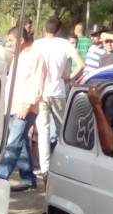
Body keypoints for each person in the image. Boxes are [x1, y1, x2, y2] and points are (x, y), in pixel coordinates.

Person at [34, 17, 85, 180]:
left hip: (41, 93)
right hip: (58, 91)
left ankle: (45, 169)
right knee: (63, 128)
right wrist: (69, 76)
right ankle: (68, 164)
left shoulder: (37, 45)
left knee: (43, 131)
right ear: (59, 30)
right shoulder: (64, 44)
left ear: (44, 28)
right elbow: (81, 64)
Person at [0, 26, 46, 191]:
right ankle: (28, 179)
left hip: (25, 107)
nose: (8, 43)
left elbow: (37, 84)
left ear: (21, 40)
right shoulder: (19, 57)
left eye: (11, 40)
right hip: (13, 106)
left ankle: (0, 178)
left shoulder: (35, 56)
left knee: (13, 144)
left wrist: (27, 105)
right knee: (21, 142)